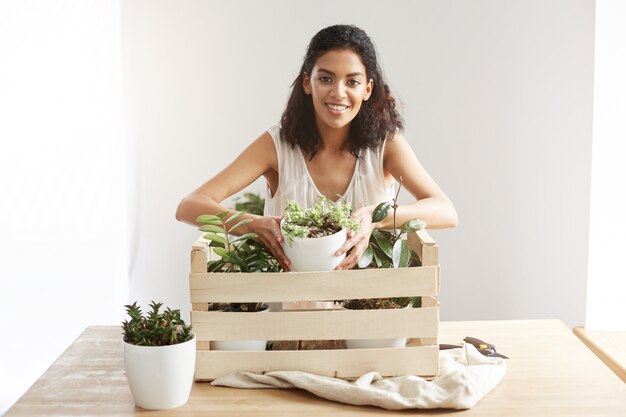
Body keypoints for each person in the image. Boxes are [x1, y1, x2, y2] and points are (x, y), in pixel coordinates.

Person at [176, 24, 458, 272]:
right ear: (307, 83)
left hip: (368, 311)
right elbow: (189, 206)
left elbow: (446, 212)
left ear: (367, 89)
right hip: (291, 316)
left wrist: (375, 217)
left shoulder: (387, 145)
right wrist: (253, 224)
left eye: (352, 82)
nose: (338, 93)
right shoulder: (276, 145)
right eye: (326, 78)